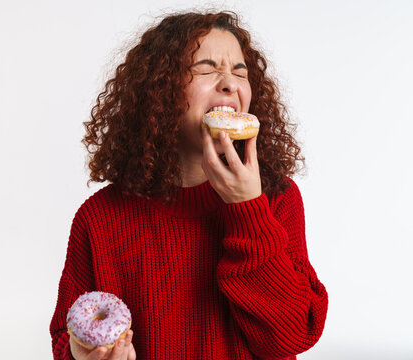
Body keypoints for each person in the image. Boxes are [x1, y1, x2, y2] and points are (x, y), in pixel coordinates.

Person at [50, 10, 328, 360]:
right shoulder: (100, 217)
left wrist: (248, 209)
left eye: (240, 71)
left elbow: (293, 335)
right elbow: (67, 336)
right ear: (160, 87)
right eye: (207, 68)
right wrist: (83, 354)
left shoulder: (277, 199)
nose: (230, 83)